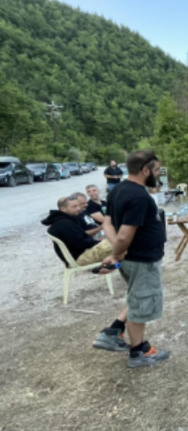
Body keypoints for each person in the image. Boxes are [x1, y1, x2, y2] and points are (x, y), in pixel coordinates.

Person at [96, 150, 169, 368]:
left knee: (137, 296)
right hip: (142, 261)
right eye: (156, 170)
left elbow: (107, 223)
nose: (158, 174)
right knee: (141, 302)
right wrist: (117, 253)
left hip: (132, 259)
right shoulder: (138, 196)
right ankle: (138, 352)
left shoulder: (118, 189)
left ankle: (114, 330)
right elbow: (124, 236)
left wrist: (118, 253)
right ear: (145, 170)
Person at [42, 196, 113, 266]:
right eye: (74, 206)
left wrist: (98, 241)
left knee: (114, 241)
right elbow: (80, 243)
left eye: (78, 206)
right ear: (63, 209)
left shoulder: (68, 219)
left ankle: (116, 265)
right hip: (79, 258)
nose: (78, 208)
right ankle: (117, 266)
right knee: (116, 244)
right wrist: (99, 242)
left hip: (82, 252)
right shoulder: (63, 224)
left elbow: (82, 237)